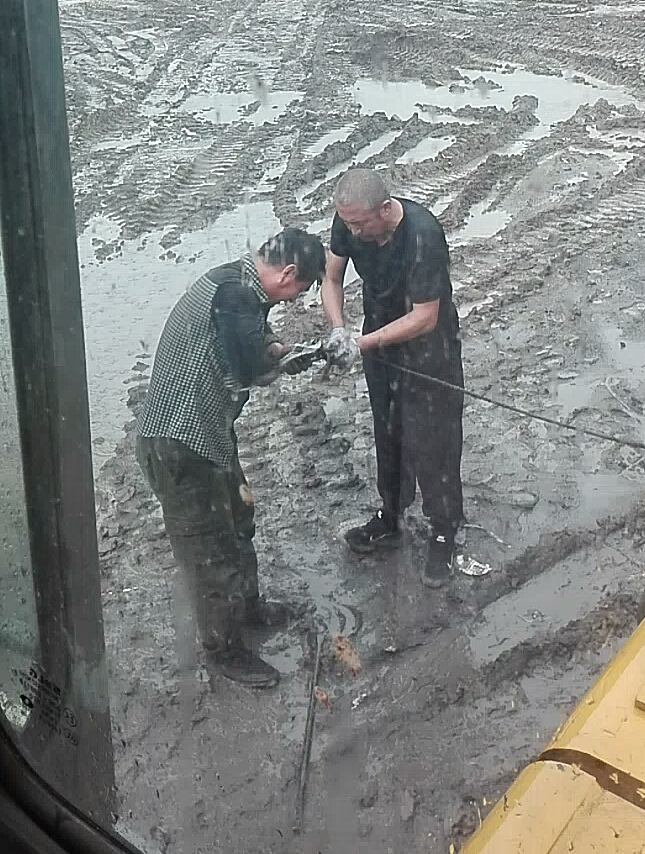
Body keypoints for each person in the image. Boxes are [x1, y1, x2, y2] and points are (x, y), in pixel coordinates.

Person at [136, 229, 325, 688]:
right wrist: (313, 355)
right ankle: (223, 650)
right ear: (289, 273)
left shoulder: (235, 280)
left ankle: (250, 611)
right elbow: (255, 370)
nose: (292, 300)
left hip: (208, 437)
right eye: (299, 292)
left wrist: (287, 350)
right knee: (208, 552)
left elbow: (257, 341)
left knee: (239, 521)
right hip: (178, 445)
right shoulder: (235, 298)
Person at [321, 169, 464, 588]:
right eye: (347, 223)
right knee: (390, 430)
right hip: (377, 335)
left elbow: (425, 316)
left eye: (360, 224)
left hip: (428, 345)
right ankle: (392, 513)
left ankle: (443, 528)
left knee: (434, 438)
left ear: (385, 209)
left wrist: (364, 343)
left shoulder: (423, 235)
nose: (352, 231)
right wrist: (337, 329)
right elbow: (331, 277)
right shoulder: (349, 221)